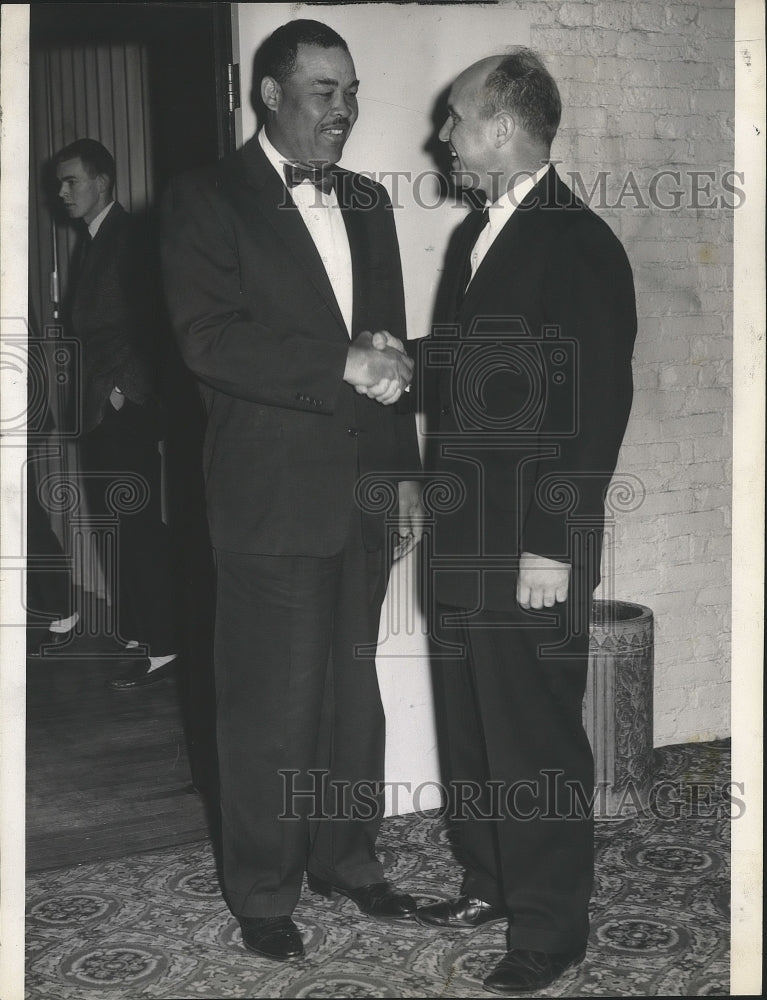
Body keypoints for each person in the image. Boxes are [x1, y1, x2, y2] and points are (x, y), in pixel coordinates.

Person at [372, 48, 637, 994]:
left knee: (534, 739)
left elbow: (596, 406)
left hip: (529, 547)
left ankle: (551, 928)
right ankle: (489, 882)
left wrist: (550, 549)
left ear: (501, 129)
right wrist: (396, 355)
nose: (441, 135)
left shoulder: (578, 243)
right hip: (462, 535)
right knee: (475, 724)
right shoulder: (483, 234)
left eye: (454, 119)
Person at [159, 19, 423, 962]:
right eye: (323, 91)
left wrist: (401, 477)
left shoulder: (362, 199)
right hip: (268, 497)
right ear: (268, 94)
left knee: (355, 696)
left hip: (360, 495)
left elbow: (385, 346)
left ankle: (348, 860)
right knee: (268, 705)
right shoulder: (202, 200)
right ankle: (264, 889)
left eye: (351, 92)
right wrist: (345, 361)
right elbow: (211, 342)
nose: (343, 110)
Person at [54, 138, 179, 688]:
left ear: (103, 181)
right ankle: (138, 631)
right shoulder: (95, 240)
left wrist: (124, 391)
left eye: (71, 181)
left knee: (138, 525)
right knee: (119, 525)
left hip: (121, 407)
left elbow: (151, 322)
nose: (62, 192)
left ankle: (166, 644)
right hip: (102, 408)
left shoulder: (130, 237)